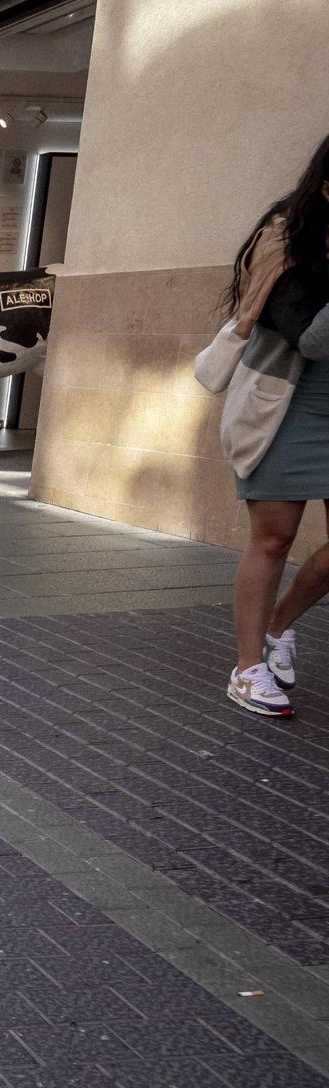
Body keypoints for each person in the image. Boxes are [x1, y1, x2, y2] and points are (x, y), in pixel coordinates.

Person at [225, 132, 329, 718]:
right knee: (273, 537)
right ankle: (246, 669)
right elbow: (312, 340)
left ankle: (281, 622)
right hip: (287, 406)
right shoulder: (287, 239)